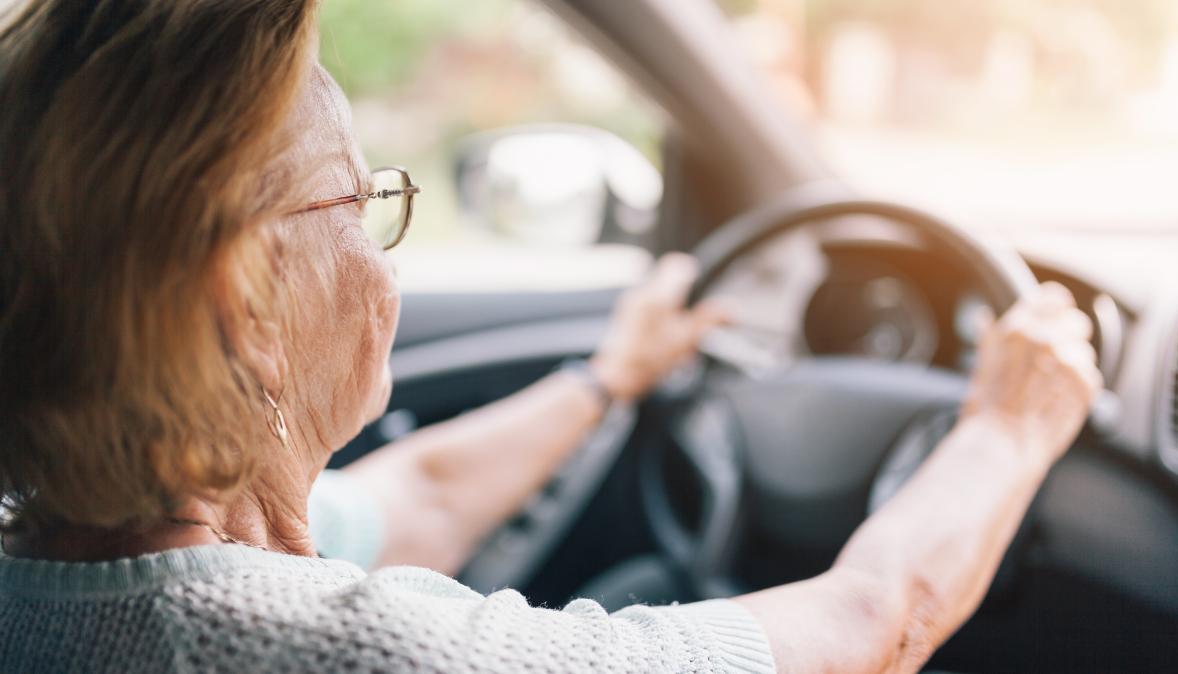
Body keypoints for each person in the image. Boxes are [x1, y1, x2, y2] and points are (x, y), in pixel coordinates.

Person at [0, 2, 1101, 672]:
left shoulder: (55, 556)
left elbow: (416, 496)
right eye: (364, 200)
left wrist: (606, 379)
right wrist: (1010, 424)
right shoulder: (328, 647)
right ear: (243, 297)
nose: (386, 259)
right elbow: (872, 628)